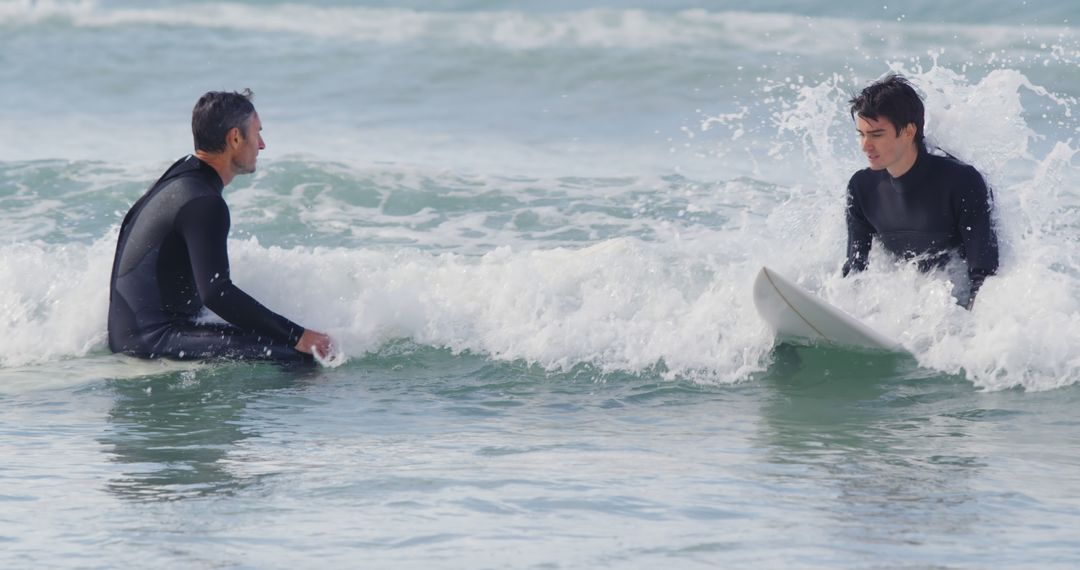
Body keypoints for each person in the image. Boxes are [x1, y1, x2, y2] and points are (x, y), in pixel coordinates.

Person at [108, 89, 333, 363]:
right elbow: (217, 293)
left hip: (130, 335)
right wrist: (299, 336)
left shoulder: (182, 177)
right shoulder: (204, 203)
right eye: (257, 132)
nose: (262, 144)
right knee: (304, 357)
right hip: (154, 341)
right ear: (235, 138)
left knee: (281, 339)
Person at [842, 74, 999, 309]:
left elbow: (983, 275)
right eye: (861, 134)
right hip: (906, 310)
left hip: (952, 311)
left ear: (908, 132)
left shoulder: (961, 182)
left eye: (876, 135)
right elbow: (855, 271)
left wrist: (970, 338)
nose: (865, 146)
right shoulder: (862, 188)